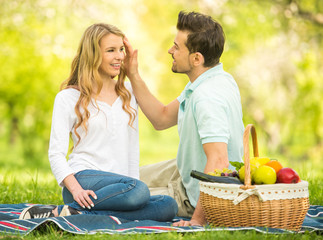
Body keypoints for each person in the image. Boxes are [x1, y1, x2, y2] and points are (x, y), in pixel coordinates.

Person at [19, 23, 178, 221]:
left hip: (121, 190)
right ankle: (75, 206)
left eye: (121, 49)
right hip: (83, 182)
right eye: (111, 50)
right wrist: (76, 190)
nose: (119, 56)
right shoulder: (68, 97)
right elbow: (56, 154)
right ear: (92, 55)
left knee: (168, 205)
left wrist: (132, 197)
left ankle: (72, 213)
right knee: (139, 190)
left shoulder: (129, 92)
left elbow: (131, 149)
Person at [123, 11, 244, 226]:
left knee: (121, 198)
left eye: (177, 47)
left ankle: (75, 211)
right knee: (121, 180)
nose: (171, 51)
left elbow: (219, 162)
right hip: (185, 173)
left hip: (194, 197)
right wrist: (133, 73)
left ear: (196, 58)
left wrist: (197, 220)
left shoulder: (207, 97)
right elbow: (161, 118)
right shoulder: (213, 80)